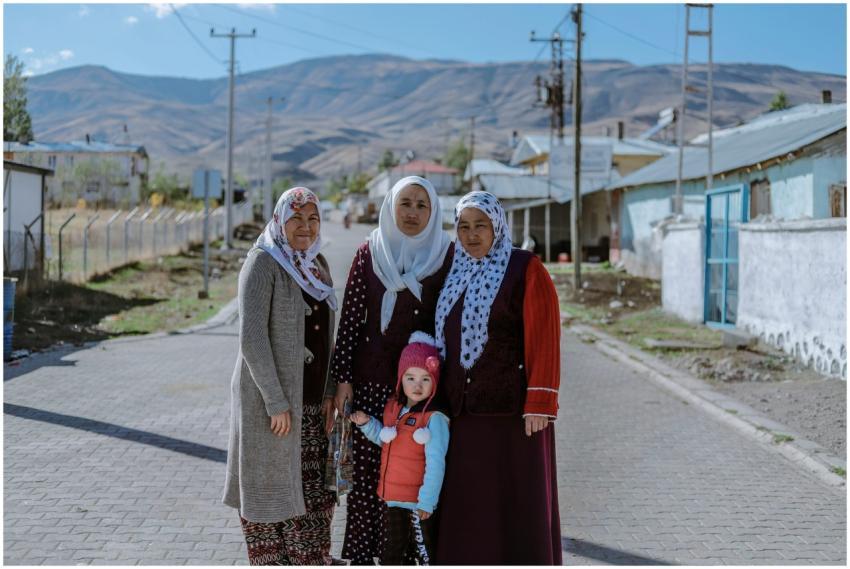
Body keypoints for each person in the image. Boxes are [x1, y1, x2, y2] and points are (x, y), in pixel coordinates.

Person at [433, 191, 562, 565]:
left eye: (481, 226)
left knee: (515, 502)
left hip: (512, 416)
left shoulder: (524, 268)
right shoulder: (452, 272)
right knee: (470, 504)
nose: (472, 235)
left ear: (498, 227)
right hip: (462, 415)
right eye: (463, 226)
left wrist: (540, 401)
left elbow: (545, 336)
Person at [330, 176, 453, 564]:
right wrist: (342, 379)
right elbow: (350, 320)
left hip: (421, 391)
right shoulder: (370, 253)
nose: (413, 213)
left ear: (433, 212)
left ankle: (411, 554)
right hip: (372, 386)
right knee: (371, 478)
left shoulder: (446, 255)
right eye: (406, 203)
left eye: (422, 205)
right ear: (390, 207)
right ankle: (368, 556)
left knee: (418, 472)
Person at [222, 187, 338, 565]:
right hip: (273, 411)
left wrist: (330, 392)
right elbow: (252, 339)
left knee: (312, 506)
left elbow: (327, 337)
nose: (305, 226)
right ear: (279, 220)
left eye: (312, 218)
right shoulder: (262, 262)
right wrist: (275, 401)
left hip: (311, 409)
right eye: (296, 218)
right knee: (271, 508)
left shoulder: (317, 264)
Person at [349, 332, 450, 565]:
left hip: (418, 502)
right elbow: (387, 441)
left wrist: (427, 501)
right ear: (400, 379)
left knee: (425, 555)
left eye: (425, 379)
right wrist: (367, 424)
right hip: (394, 499)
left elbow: (436, 463)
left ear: (434, 382)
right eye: (410, 377)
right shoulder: (395, 409)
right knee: (392, 553)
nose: (417, 385)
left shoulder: (434, 419)